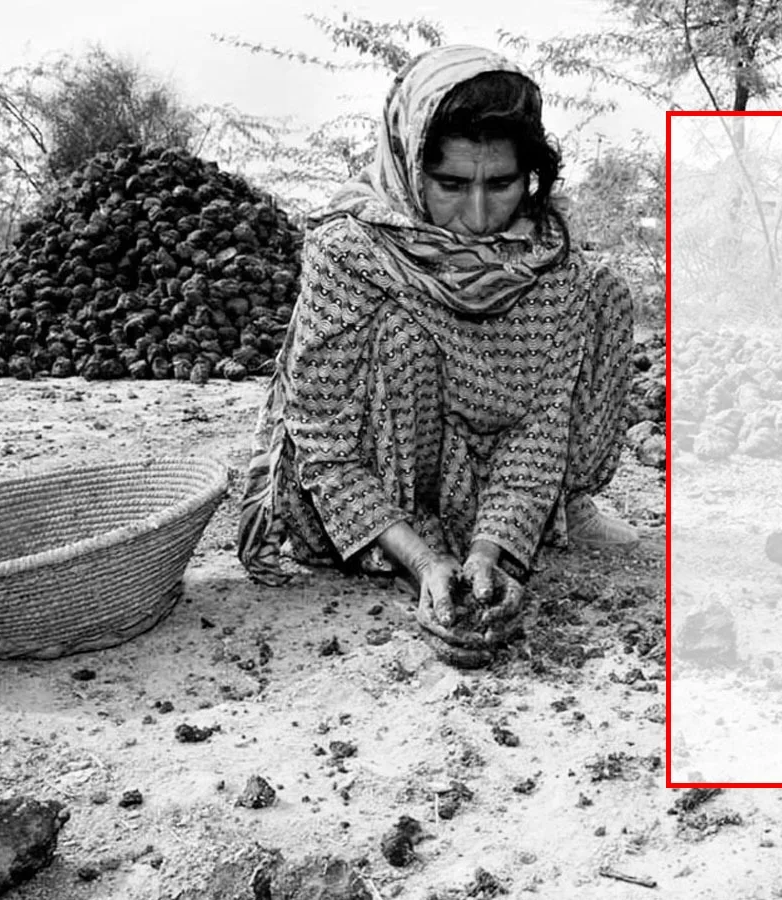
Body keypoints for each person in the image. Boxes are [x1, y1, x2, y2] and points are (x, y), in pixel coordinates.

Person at [236, 45, 639, 663]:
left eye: (500, 184)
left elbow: (537, 431)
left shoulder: (548, 265)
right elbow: (323, 442)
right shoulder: (351, 254)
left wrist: (488, 551)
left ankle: (554, 508)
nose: (476, 215)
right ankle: (417, 540)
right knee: (404, 333)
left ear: (531, 177)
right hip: (378, 477)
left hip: (487, 474)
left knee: (605, 289)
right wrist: (425, 562)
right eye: (451, 184)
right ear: (411, 168)